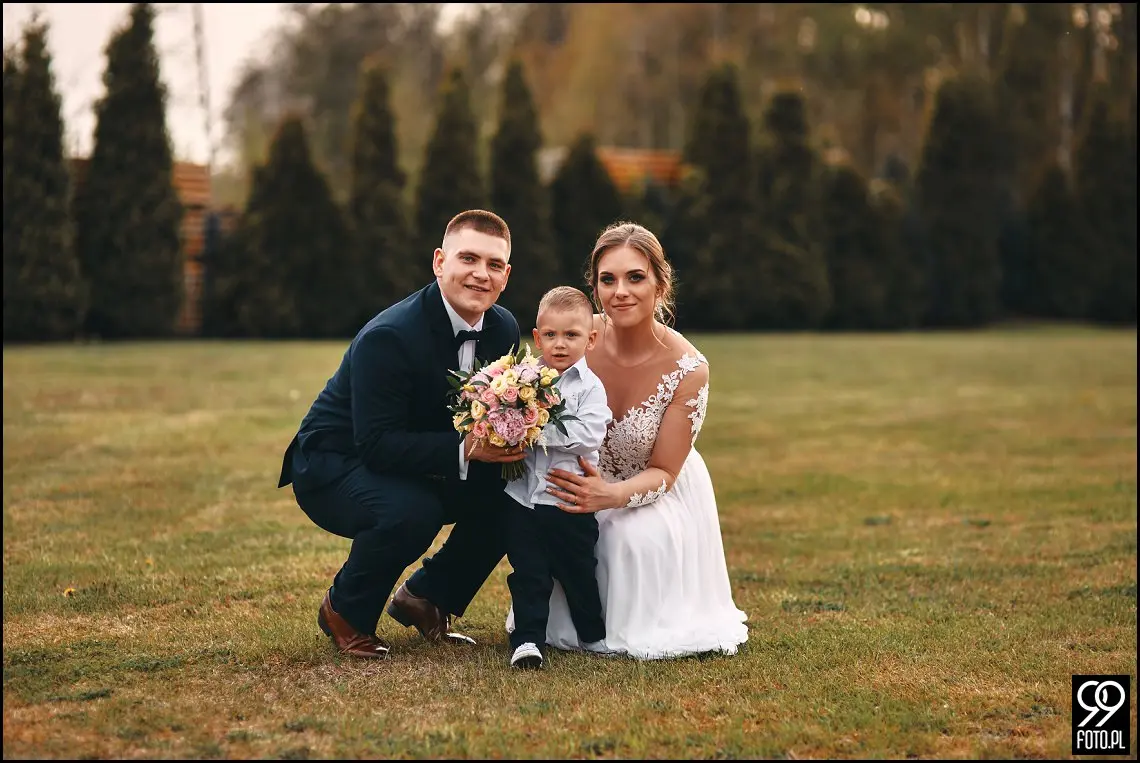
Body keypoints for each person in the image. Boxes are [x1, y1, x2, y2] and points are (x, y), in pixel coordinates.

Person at [278, 209, 526, 659]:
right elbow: (375, 442)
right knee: (414, 510)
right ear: (438, 262)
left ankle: (428, 597)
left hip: (416, 456)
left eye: (493, 265)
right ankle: (345, 611)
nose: (479, 274)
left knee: (514, 493)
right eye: (467, 258)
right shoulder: (390, 336)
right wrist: (468, 450)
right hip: (334, 463)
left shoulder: (504, 327)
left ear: (506, 275)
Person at [507, 221, 749, 660]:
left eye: (635, 277)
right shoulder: (573, 335)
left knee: (627, 542)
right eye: (608, 279)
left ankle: (605, 629)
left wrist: (611, 494)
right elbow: (527, 397)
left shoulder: (689, 369)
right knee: (544, 526)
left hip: (652, 485)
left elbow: (665, 471)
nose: (620, 291)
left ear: (660, 283)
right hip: (575, 478)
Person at [502, 286, 613, 669]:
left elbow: (588, 435)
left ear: (590, 338)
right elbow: (504, 421)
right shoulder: (521, 382)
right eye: (550, 335)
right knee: (529, 573)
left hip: (568, 502)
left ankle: (591, 634)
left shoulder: (590, 388)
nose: (560, 344)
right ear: (536, 337)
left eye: (572, 335)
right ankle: (528, 640)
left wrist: (533, 429)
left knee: (579, 570)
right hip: (523, 500)